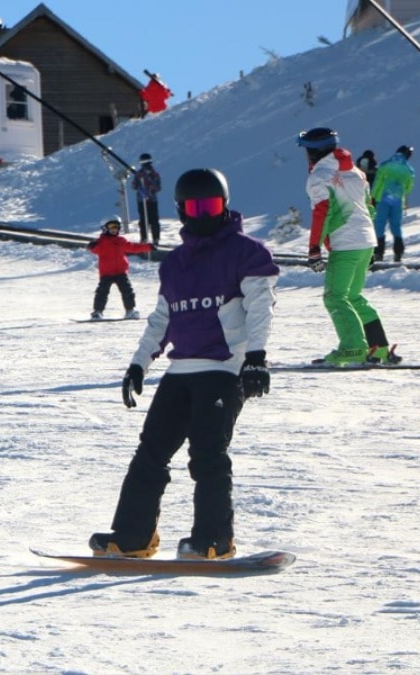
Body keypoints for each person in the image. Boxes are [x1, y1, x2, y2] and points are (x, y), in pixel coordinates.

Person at [90, 168, 279, 561]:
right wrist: (139, 364)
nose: (204, 214)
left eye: (211, 205)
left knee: (207, 454)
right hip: (180, 372)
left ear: (225, 204)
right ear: (181, 210)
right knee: (150, 453)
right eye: (195, 207)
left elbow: (261, 307)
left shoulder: (247, 253)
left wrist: (256, 357)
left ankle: (214, 540)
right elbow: (162, 318)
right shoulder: (174, 263)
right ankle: (132, 538)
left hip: (225, 369)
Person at [299, 127, 402, 365]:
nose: (305, 155)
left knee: (335, 297)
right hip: (365, 241)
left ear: (315, 151)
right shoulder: (356, 172)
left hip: (346, 242)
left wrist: (314, 248)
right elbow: (369, 206)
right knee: (353, 296)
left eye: (306, 150)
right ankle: (379, 349)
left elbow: (322, 212)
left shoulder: (320, 176)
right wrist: (372, 243)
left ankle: (353, 348)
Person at [87, 218, 153, 319]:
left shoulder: (121, 241)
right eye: (111, 227)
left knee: (127, 291)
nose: (114, 229)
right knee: (102, 292)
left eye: (116, 227)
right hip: (107, 272)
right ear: (105, 229)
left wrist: (148, 247)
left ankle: (130, 310)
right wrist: (92, 246)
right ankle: (97, 312)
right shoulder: (101, 242)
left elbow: (133, 247)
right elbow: (94, 250)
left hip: (121, 272)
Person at [370, 145, 415, 262]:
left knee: (379, 225)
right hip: (397, 201)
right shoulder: (409, 169)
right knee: (396, 226)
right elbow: (409, 188)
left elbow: (378, 181)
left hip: (382, 199)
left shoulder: (385, 165)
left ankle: (379, 253)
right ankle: (398, 252)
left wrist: (373, 197)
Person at [130, 153, 162, 245]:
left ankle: (156, 238)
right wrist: (139, 187)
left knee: (154, 220)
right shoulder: (138, 174)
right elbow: (134, 186)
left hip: (152, 200)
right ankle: (144, 238)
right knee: (143, 220)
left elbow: (158, 187)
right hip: (141, 200)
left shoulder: (155, 174)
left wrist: (152, 188)